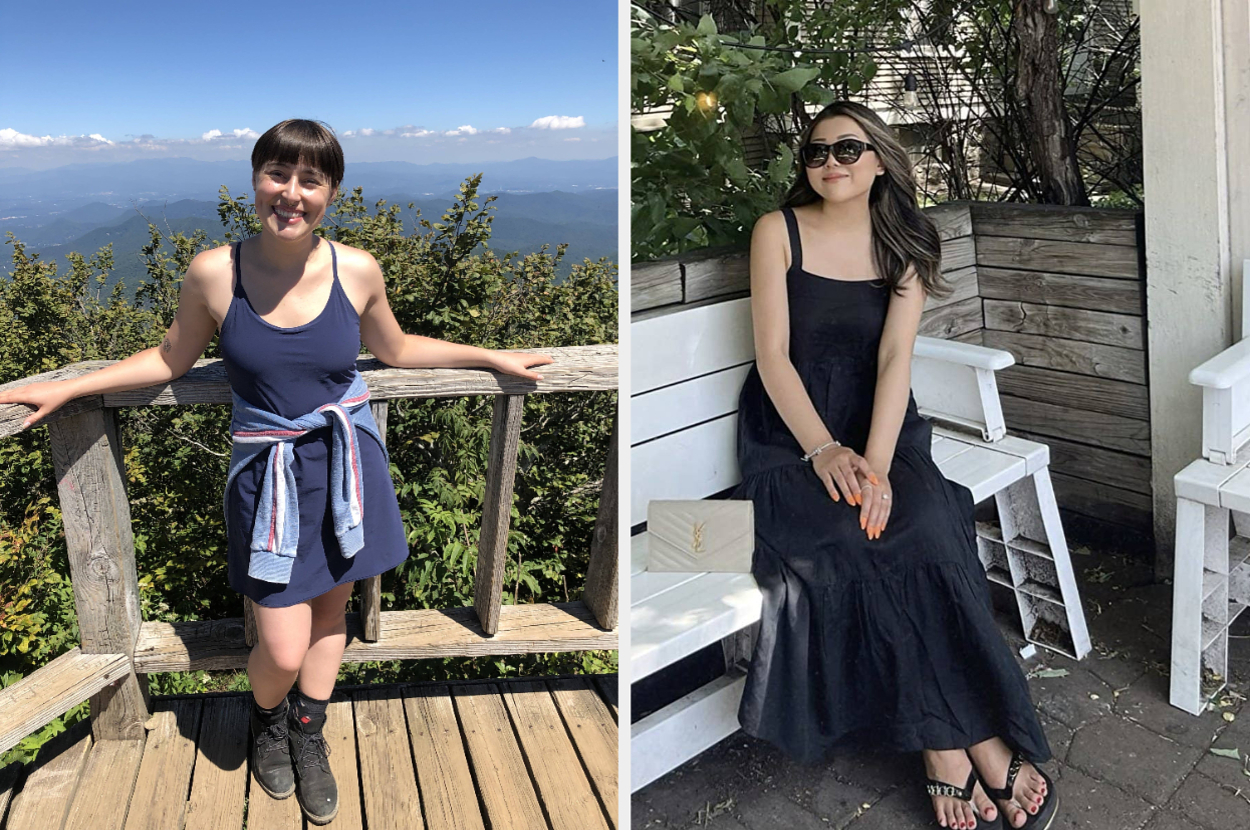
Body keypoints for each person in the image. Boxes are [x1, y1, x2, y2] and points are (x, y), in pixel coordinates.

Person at [0, 119, 552, 826]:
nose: (291, 194)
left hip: (348, 469)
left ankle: (307, 732)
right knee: (282, 644)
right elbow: (170, 359)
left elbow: (398, 347)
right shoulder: (213, 272)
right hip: (270, 481)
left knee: (333, 617)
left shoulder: (356, 270)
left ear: (332, 191)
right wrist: (74, 387)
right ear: (254, 179)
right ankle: (266, 715)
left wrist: (491, 356)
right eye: (277, 175)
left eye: (310, 179)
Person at [731, 101, 1059, 830]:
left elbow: (893, 358)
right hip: (792, 434)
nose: (831, 164)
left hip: (882, 428)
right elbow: (773, 358)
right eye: (816, 152)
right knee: (849, 542)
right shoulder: (776, 232)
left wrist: (874, 468)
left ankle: (949, 740)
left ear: (879, 158)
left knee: (928, 528)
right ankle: (961, 742)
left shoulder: (905, 241)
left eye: (848, 149)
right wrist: (823, 452)